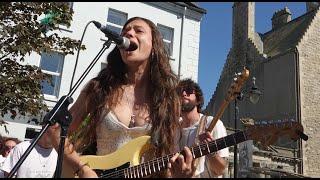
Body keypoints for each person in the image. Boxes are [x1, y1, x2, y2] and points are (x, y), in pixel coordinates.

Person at [48, 16, 195, 178]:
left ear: (154, 45)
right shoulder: (99, 88)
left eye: (138, 30)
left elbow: (167, 161)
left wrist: (181, 175)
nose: (129, 34)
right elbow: (56, 131)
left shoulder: (168, 99)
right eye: (125, 32)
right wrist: (82, 168)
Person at [177, 78, 229, 178]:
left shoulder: (212, 124)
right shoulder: (172, 129)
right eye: (179, 92)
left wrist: (212, 154)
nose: (183, 93)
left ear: (198, 99)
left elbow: (221, 170)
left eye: (188, 91)